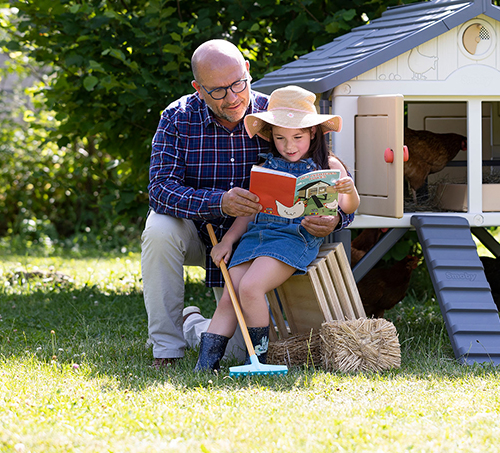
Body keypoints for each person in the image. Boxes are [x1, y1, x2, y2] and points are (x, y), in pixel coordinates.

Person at [142, 40, 354, 369]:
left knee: (237, 353)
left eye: (238, 84)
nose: (233, 97)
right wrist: (219, 202)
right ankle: (166, 348)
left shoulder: (278, 115)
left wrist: (335, 218)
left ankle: (192, 327)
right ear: (198, 88)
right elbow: (159, 190)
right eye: (218, 91)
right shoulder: (177, 118)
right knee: (158, 228)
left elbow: (333, 175)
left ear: (248, 72)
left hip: (255, 241)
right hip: (200, 233)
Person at [194, 85, 360, 372]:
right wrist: (228, 241)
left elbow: (348, 206)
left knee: (250, 287)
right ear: (271, 136)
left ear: (313, 133)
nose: (289, 145)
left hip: (293, 239)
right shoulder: (266, 167)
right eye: (281, 138)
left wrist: (350, 189)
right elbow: (248, 213)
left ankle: (257, 360)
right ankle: (206, 365)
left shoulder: (327, 165)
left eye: (297, 137)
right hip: (256, 237)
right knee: (230, 291)